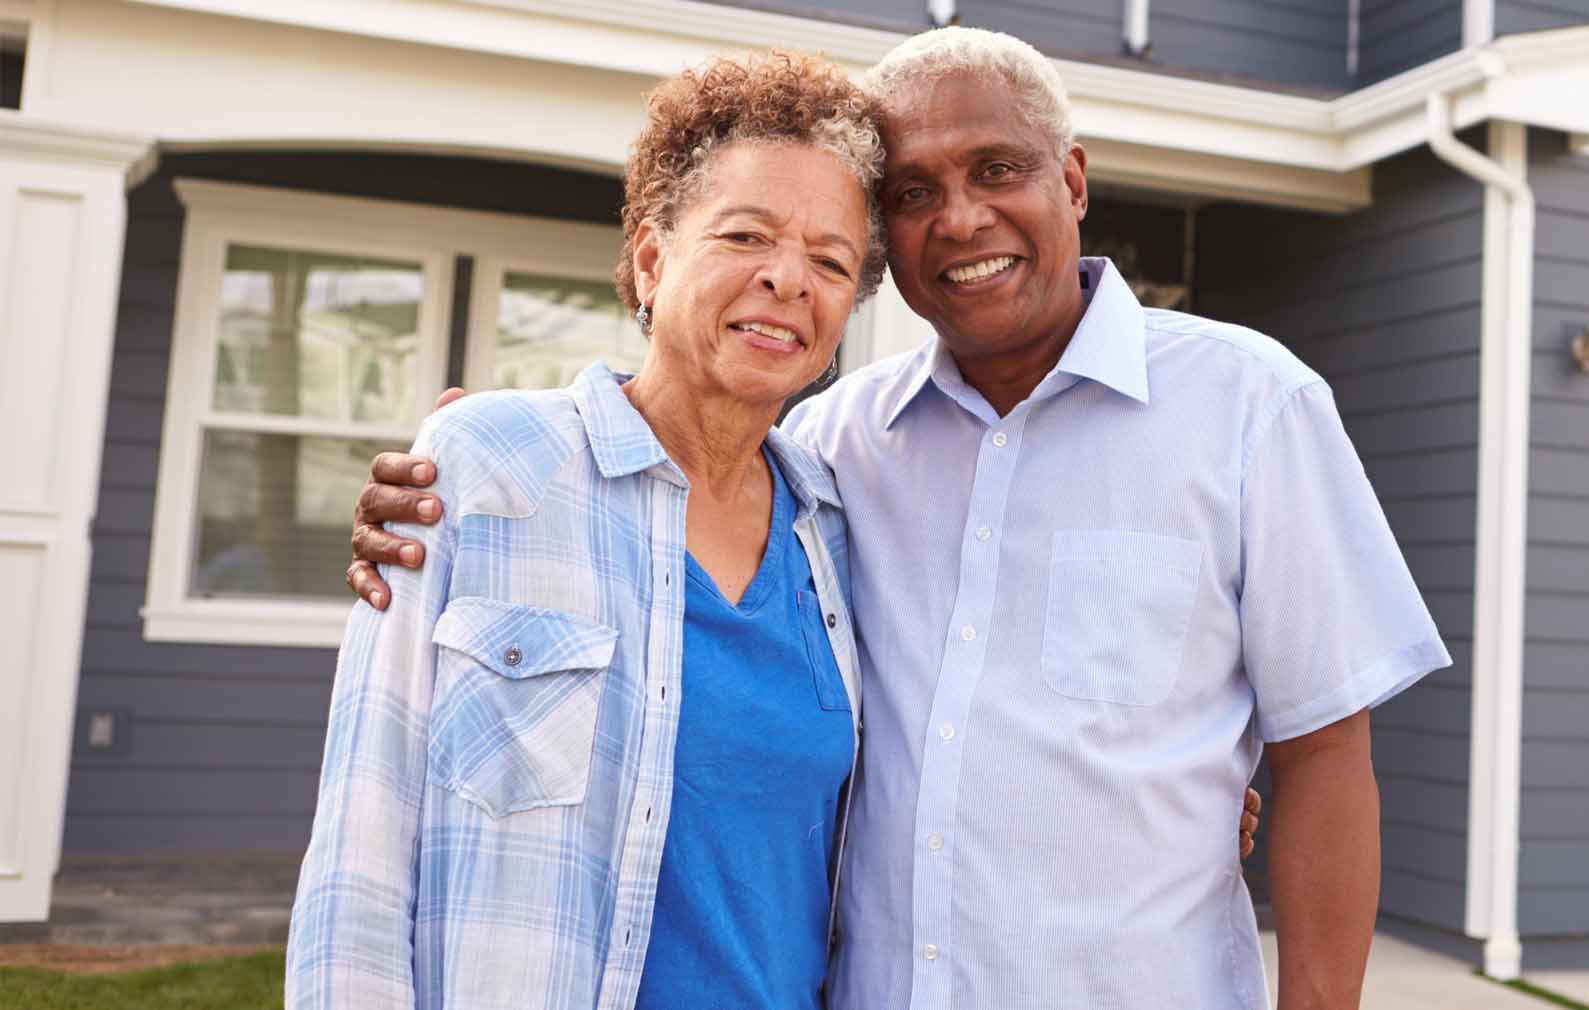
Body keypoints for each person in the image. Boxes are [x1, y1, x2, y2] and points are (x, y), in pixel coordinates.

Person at [347, 27, 1445, 1010]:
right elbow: (660, 460)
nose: (961, 216)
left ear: (1071, 178)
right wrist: (473, 454)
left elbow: (1326, 751)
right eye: (913, 193)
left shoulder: (1252, 405)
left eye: (998, 169)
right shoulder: (837, 451)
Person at [291, 51, 884, 1010]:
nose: (788, 280)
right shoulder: (487, 466)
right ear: (652, 262)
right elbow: (361, 845)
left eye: (830, 261)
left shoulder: (842, 528)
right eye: (746, 236)